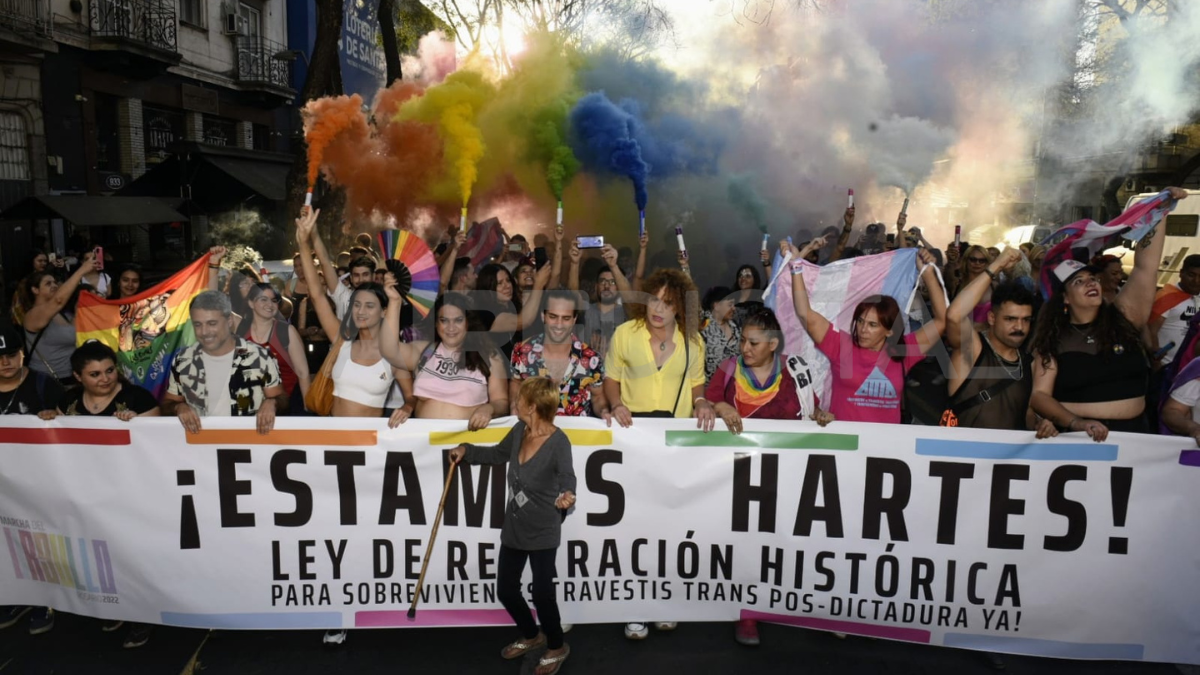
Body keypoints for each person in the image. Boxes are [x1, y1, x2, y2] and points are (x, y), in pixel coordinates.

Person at [1029, 187, 1187, 440]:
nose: (1091, 283)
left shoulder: (1124, 317)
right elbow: (1039, 396)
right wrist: (1077, 423)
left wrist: (1160, 210)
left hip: (1134, 437)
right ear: (1065, 299)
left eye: (1092, 278)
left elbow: (1146, 267)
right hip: (1077, 437)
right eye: (1079, 282)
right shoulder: (1052, 339)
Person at [602, 268, 709, 640]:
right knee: (633, 525)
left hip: (674, 446)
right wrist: (616, 405)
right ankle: (634, 606)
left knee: (670, 525)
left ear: (680, 307)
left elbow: (698, 388)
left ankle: (664, 600)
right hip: (634, 441)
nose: (657, 309)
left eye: (667, 302)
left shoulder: (694, 344)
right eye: (653, 300)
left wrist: (704, 404)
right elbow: (611, 377)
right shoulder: (624, 335)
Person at [447, 378, 575, 675]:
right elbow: (496, 454)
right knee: (506, 589)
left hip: (544, 529)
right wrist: (467, 450)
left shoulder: (559, 442)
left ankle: (556, 646)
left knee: (543, 595)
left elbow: (568, 477)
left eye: (520, 399)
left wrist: (567, 496)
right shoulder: (520, 430)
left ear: (533, 406)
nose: (514, 402)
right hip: (514, 527)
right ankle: (533, 636)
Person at [789, 238, 947, 424]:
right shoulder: (841, 346)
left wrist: (927, 272)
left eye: (873, 325)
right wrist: (796, 267)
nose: (863, 329)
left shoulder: (904, 351)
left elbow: (942, 320)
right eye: (861, 321)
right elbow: (804, 313)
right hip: (844, 444)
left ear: (890, 331)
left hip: (885, 448)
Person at [0, 322, 63, 637]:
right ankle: (13, 596)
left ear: (22, 353)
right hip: (2, 488)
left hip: (39, 484)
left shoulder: (43, 385)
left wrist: (57, 419)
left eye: (11, 354)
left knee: (39, 541)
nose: (5, 363)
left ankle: (43, 600)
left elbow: (72, 430)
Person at [944, 250, 1047, 433]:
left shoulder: (1029, 363)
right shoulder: (973, 350)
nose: (1019, 327)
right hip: (965, 457)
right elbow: (954, 316)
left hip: (1007, 460)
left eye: (1026, 320)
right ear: (992, 318)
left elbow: (1027, 415)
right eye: (1010, 319)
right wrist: (996, 265)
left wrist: (1040, 425)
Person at [380, 289, 509, 431]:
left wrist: (489, 408)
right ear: (436, 323)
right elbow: (389, 349)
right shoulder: (425, 351)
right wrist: (394, 301)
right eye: (444, 321)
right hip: (424, 443)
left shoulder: (488, 356)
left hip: (465, 444)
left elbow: (501, 402)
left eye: (458, 320)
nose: (451, 328)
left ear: (468, 323)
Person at [162, 290, 283, 435]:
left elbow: (280, 398)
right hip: (201, 447)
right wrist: (179, 407)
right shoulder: (183, 359)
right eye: (198, 325)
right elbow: (168, 403)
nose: (204, 332)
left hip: (247, 445)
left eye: (212, 323)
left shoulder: (259, 356)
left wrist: (272, 402)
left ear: (230, 320)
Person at [509, 290, 610, 419]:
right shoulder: (522, 350)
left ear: (574, 320)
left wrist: (603, 411)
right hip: (534, 434)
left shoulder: (591, 358)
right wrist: (514, 405)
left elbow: (598, 397)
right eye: (553, 316)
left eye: (566, 318)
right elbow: (516, 383)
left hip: (576, 436)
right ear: (543, 316)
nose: (559, 324)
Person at [22, 251, 101, 386]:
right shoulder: (32, 316)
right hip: (47, 381)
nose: (54, 286)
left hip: (72, 378)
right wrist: (82, 270)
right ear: (35, 290)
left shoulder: (62, 313)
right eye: (48, 284)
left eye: (54, 282)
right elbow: (58, 300)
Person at [238, 283, 311, 413]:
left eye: (273, 300)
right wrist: (213, 266)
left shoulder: (286, 331)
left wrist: (307, 409)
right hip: (250, 408)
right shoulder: (241, 328)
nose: (269, 304)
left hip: (287, 407)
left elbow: (302, 373)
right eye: (263, 299)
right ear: (251, 303)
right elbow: (214, 308)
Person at [41, 342, 159, 420]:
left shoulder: (140, 399)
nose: (105, 379)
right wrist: (50, 419)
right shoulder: (69, 400)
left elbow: (152, 442)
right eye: (95, 374)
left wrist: (137, 423)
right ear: (78, 376)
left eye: (110, 370)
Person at [570, 242, 633, 358]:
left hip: (617, 374)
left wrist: (614, 266)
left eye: (613, 282)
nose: (607, 286)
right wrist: (574, 263)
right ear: (596, 286)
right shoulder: (587, 311)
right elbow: (572, 297)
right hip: (588, 373)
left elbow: (629, 297)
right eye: (602, 281)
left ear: (619, 287)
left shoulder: (625, 313)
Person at [1149, 254, 1200, 365]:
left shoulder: (1197, 298)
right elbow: (1151, 331)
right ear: (1181, 273)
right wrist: (1157, 365)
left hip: (1186, 368)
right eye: (1192, 275)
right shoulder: (1166, 296)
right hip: (1165, 367)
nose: (1196, 281)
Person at [701, 286, 740, 382]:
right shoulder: (702, 326)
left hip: (734, 386)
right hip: (709, 388)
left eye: (734, 305)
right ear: (717, 305)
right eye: (730, 305)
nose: (733, 308)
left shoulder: (736, 327)